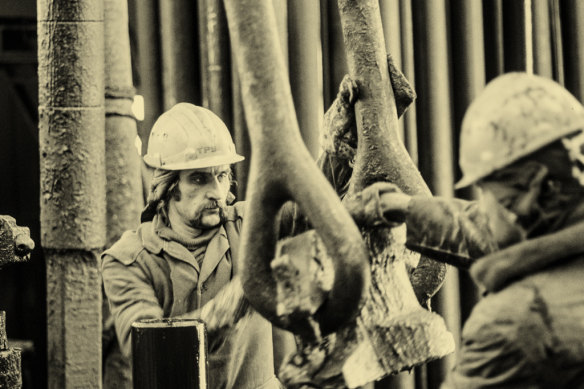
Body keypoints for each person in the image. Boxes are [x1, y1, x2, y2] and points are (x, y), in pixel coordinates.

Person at [365, 73, 584, 387]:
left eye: (486, 191)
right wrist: (400, 208)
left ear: (532, 186)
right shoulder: (560, 224)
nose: (484, 206)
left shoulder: (517, 321)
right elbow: (489, 228)